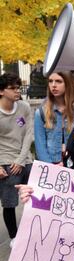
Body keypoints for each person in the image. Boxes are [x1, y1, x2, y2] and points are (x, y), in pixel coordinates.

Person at [0, 73, 33, 248]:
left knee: (36, 196)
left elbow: (29, 135)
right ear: (1, 91)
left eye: (18, 88)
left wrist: (21, 160)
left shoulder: (24, 107)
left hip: (25, 159)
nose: (17, 91)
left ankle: (34, 232)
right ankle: (14, 238)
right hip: (4, 161)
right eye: (12, 88)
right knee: (9, 203)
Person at [34, 72, 74, 164]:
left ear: (68, 84)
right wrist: (52, 167)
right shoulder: (41, 112)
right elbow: (40, 146)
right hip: (51, 164)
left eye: (59, 81)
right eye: (50, 81)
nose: (53, 85)